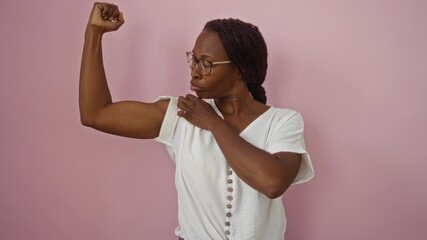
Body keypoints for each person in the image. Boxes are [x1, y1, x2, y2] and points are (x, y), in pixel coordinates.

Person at [79, 2, 314, 240]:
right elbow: (96, 113)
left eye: (206, 63)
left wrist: (214, 123)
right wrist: (94, 33)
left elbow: (272, 182)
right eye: (194, 59)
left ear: (240, 70)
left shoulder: (283, 121)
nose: (194, 72)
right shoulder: (182, 115)